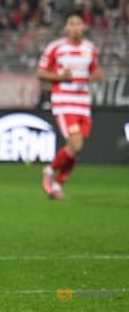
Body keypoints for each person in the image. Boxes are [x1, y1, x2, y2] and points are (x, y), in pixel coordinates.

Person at [38, 10, 104, 200]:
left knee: (77, 148)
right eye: (72, 24)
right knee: (75, 144)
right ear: (66, 28)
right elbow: (41, 73)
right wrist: (60, 77)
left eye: (78, 24)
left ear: (84, 27)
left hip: (83, 102)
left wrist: (97, 76)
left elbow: (93, 71)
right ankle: (49, 172)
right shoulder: (56, 48)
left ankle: (58, 186)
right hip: (64, 101)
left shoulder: (90, 49)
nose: (75, 27)